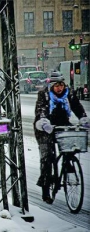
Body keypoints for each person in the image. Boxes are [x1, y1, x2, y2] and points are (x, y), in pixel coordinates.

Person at [34, 76, 89, 204]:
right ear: (52, 86)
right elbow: (41, 110)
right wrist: (44, 123)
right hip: (45, 127)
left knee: (71, 146)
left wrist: (83, 118)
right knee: (47, 156)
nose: (59, 88)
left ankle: (68, 163)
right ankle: (46, 188)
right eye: (57, 86)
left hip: (62, 123)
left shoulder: (68, 93)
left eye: (61, 85)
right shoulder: (44, 94)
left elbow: (77, 106)